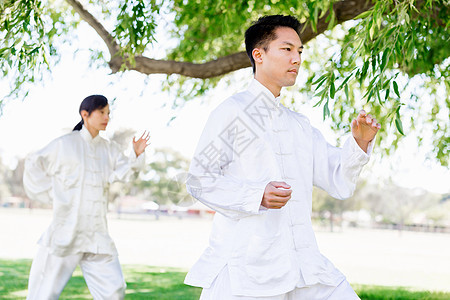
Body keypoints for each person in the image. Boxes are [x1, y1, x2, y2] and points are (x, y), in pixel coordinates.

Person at [184, 15, 381, 299]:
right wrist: (257, 195)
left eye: (300, 51)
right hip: (249, 266)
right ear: (258, 54)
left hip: (304, 264)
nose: (297, 59)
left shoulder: (298, 124)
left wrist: (360, 143)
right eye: (287, 49)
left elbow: (337, 178)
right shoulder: (232, 112)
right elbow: (199, 181)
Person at [23, 95, 150, 300]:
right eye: (101, 112)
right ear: (85, 114)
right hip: (66, 233)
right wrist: (52, 193)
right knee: (43, 293)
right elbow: (33, 163)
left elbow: (124, 172)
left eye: (108, 113)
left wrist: (135, 155)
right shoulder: (64, 144)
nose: (106, 117)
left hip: (97, 235)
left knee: (114, 291)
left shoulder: (109, 149)